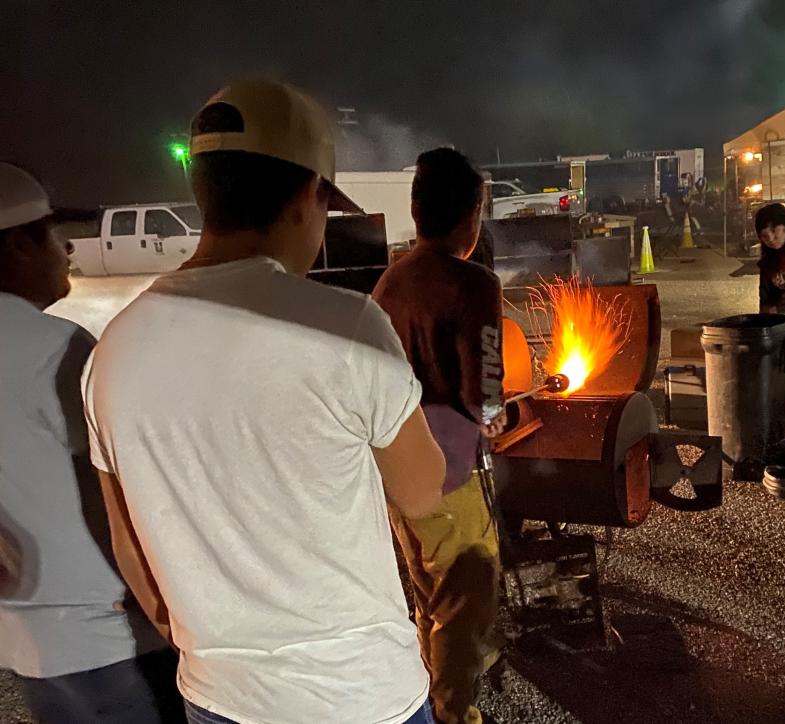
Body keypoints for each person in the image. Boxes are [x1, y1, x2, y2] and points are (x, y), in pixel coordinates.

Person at [82, 79, 446, 724]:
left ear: (204, 192)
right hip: (360, 699)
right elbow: (422, 492)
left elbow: (129, 543)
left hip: (220, 700)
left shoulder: (112, 349)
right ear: (310, 196)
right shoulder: (343, 325)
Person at [0, 162, 183, 723]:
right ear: (22, 245)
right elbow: (124, 484)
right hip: (113, 633)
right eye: (56, 236)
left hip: (27, 639)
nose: (69, 252)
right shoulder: (58, 350)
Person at [373, 148, 505, 724]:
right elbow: (486, 391)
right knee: (465, 594)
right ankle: (455, 713)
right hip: (450, 469)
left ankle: (434, 690)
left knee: (430, 595)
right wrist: (497, 413)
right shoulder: (474, 283)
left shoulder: (390, 280)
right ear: (471, 214)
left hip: (396, 471)